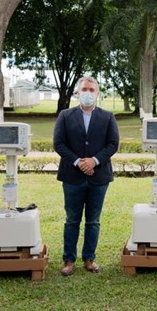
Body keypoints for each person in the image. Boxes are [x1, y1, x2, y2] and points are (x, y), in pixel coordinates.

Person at [53, 76, 119, 276]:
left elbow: (112, 144)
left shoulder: (108, 117)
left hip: (99, 177)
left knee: (93, 221)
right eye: (84, 89)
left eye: (92, 90)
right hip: (72, 177)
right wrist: (79, 162)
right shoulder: (65, 115)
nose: (88, 93)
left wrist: (94, 161)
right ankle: (69, 260)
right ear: (77, 93)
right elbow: (59, 143)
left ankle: (89, 258)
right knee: (72, 220)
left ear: (97, 94)